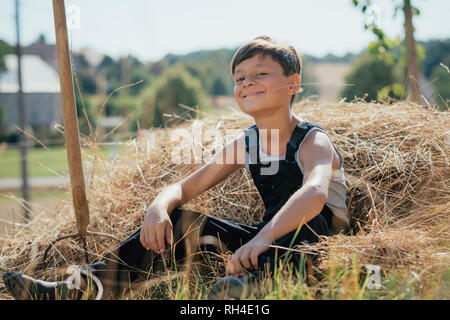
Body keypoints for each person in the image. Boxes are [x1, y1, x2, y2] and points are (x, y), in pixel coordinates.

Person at [2, 36, 349, 300]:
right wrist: (158, 207)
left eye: (261, 74)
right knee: (183, 221)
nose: (246, 83)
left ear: (293, 84)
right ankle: (81, 288)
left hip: (315, 242)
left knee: (310, 225)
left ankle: (249, 287)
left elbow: (315, 194)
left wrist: (261, 239)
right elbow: (184, 188)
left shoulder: (311, 140)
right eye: (239, 78)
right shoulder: (247, 143)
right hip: (265, 239)